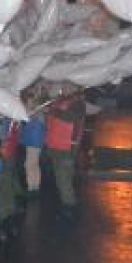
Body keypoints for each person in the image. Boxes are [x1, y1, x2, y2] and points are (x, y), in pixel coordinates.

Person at [45, 86, 86, 221]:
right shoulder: (60, 100)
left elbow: (70, 117)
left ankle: (70, 209)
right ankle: (66, 206)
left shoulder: (78, 103)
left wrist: (52, 110)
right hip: (56, 145)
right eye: (64, 85)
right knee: (60, 179)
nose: (65, 87)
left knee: (64, 180)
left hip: (67, 147)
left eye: (68, 85)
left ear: (75, 87)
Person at [19, 111, 46, 195]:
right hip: (36, 144)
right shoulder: (39, 116)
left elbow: (29, 131)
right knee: (34, 165)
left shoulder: (35, 117)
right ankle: (36, 185)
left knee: (29, 165)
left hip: (33, 143)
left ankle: (31, 187)